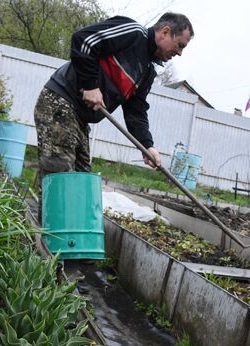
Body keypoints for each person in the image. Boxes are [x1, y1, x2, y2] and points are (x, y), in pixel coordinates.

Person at [34, 12, 193, 221]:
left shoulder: (146, 72)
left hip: (79, 119)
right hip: (61, 102)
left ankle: (67, 239)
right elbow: (84, 40)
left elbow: (136, 111)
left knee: (82, 181)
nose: (180, 53)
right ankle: (46, 241)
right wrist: (90, 85)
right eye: (180, 45)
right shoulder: (132, 34)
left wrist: (147, 145)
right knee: (60, 176)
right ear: (165, 32)